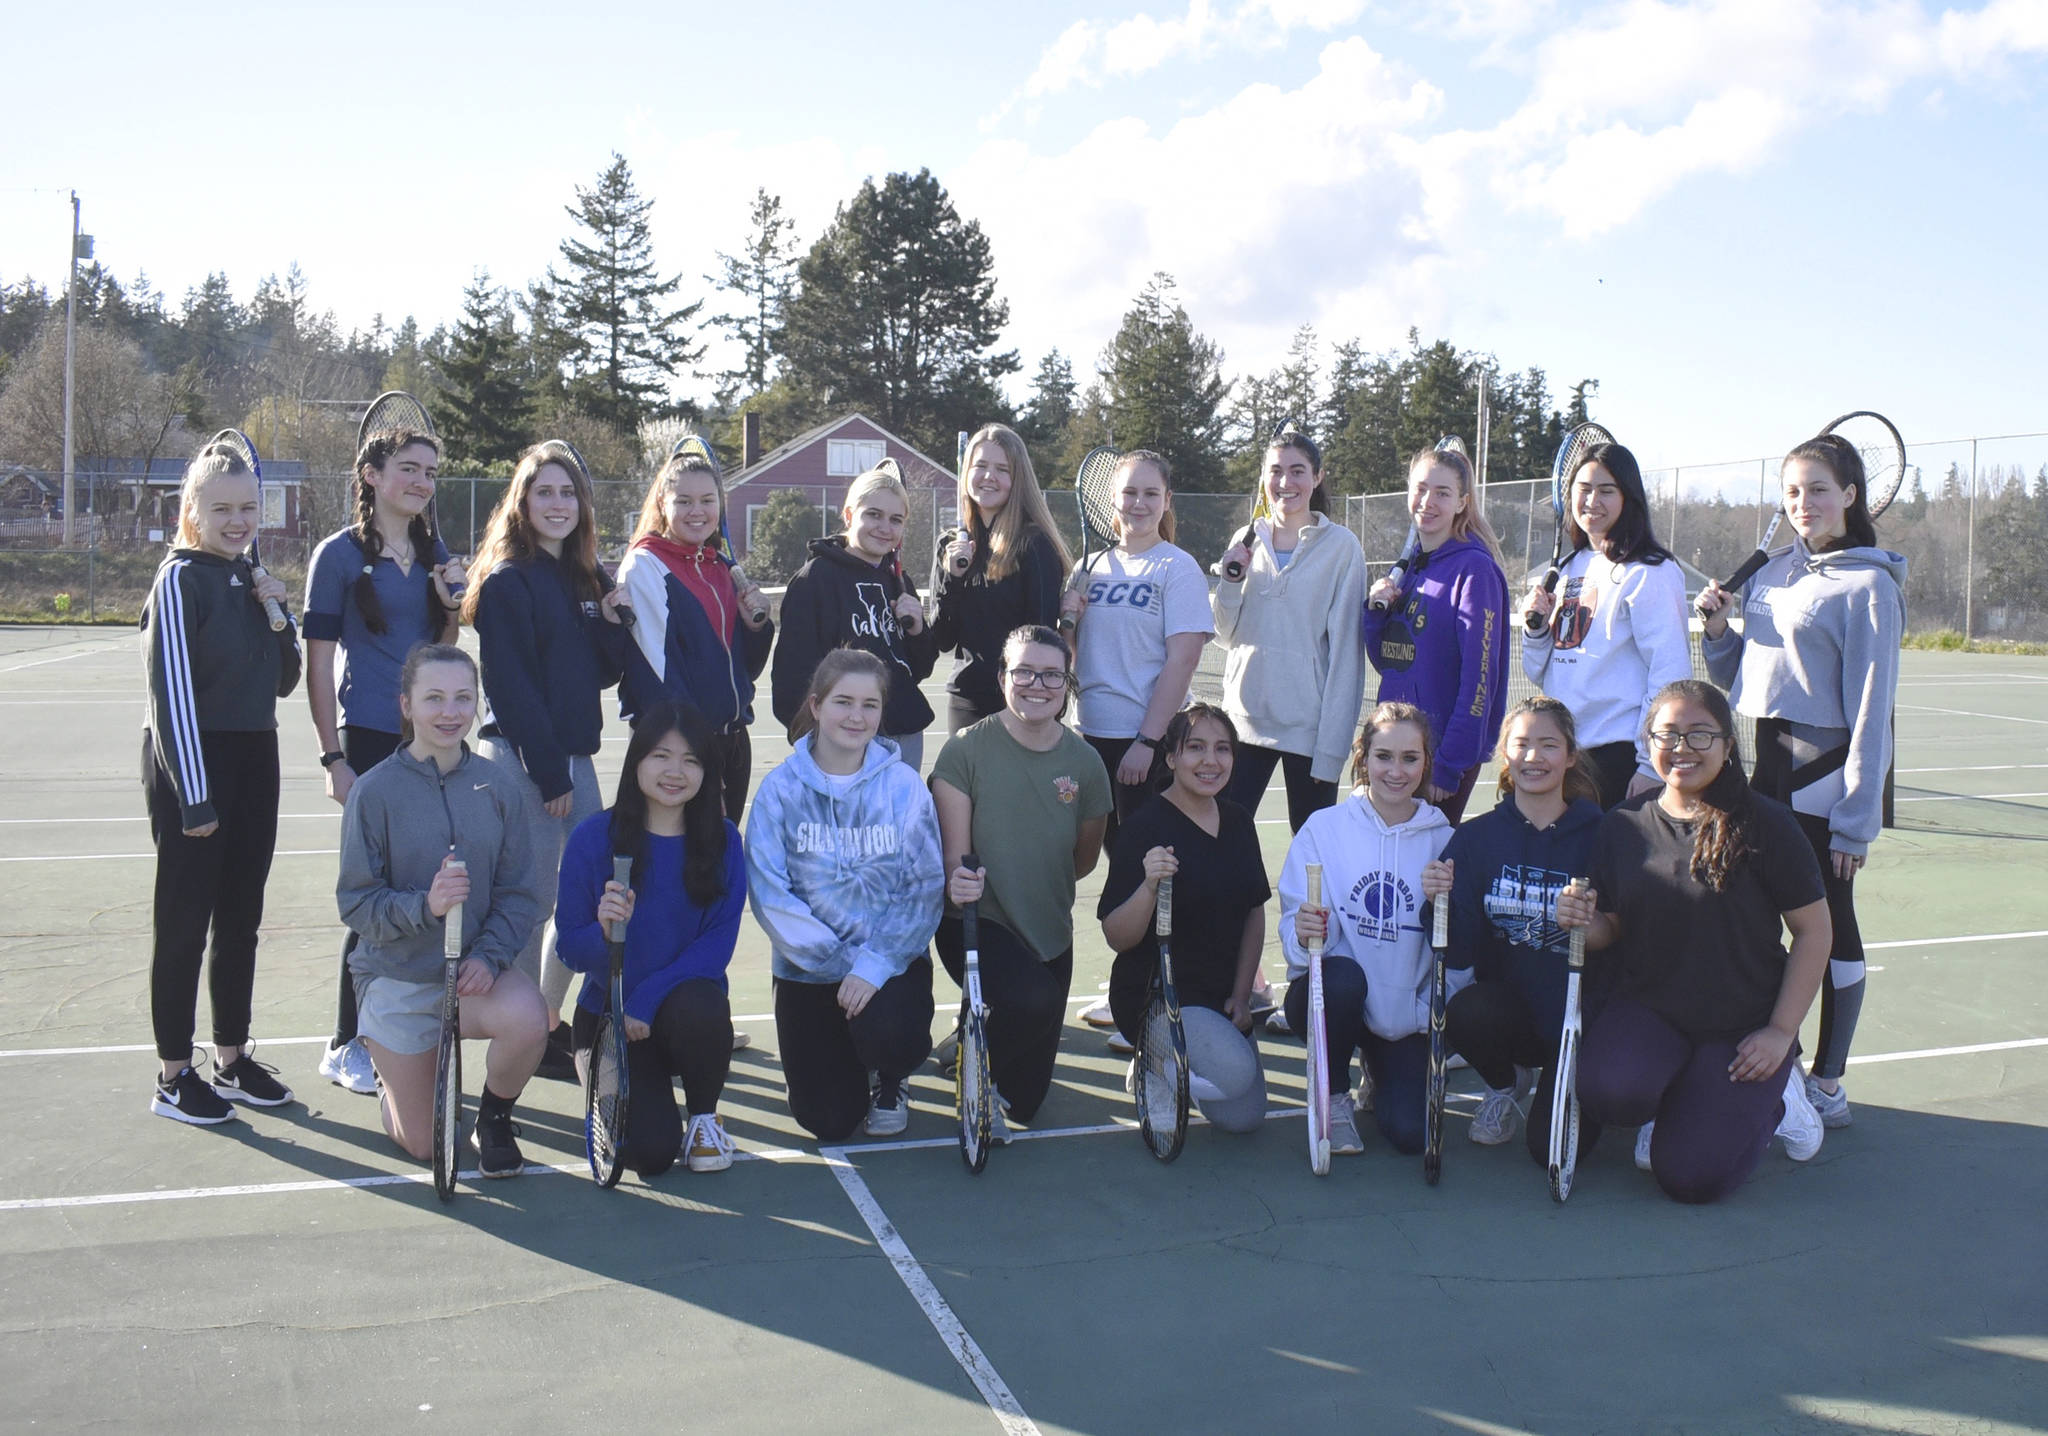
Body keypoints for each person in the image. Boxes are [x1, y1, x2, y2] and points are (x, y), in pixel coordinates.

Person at [1699, 434, 1906, 1130]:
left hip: (1824, 783)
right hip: (1763, 772)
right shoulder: (1776, 571)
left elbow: (1874, 710)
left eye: (1818, 489)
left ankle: (1830, 1081)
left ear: (1851, 496)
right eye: (1792, 491)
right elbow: (1736, 677)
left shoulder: (1870, 585)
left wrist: (1856, 819)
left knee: (1829, 924)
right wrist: (1719, 631)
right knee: (1758, 917)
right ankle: (1769, 1063)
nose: (1803, 503)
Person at [1556, 679, 1830, 1204]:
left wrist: (1778, 1031)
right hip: (1652, 1010)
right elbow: (1609, 928)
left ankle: (1780, 1099)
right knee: (1611, 1093)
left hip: (1742, 1026)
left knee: (1690, 1178)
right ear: (1649, 742)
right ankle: (1680, 1093)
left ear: (1729, 745)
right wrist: (1581, 924)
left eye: (1700, 735)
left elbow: (1815, 933)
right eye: (1668, 734)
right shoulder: (1623, 825)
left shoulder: (1767, 824)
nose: (1682, 748)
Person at [336, 644, 547, 1175]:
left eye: (462, 698)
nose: (450, 712)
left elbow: (522, 892)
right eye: (433, 698)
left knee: (528, 1017)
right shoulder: (374, 791)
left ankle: (494, 1117)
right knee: (429, 1146)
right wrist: (423, 906)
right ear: (406, 705)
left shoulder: (498, 785)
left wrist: (491, 956)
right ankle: (396, 1079)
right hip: (399, 979)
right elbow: (356, 903)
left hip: (474, 978)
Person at [463, 440, 635, 1079]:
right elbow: (510, 687)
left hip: (573, 759)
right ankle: (520, 1030)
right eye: (545, 492)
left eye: (568, 493)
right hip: (523, 760)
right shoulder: (509, 579)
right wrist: (547, 773)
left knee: (586, 895)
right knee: (529, 901)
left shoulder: (584, 579)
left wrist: (615, 621)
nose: (558, 504)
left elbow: (604, 674)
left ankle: (546, 1022)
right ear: (522, 503)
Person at [142, 444, 303, 1125]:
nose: (238, 521)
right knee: (184, 923)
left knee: (241, 919)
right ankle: (174, 1074)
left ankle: (232, 1059)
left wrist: (279, 613)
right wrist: (195, 797)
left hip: (254, 757)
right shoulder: (178, 580)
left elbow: (284, 682)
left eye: (248, 508)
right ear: (193, 513)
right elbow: (170, 694)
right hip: (192, 766)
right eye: (222, 509)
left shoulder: (249, 579)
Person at [304, 425, 466, 1096]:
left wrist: (453, 602)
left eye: (429, 471)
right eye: (407, 468)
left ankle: (411, 1031)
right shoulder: (336, 556)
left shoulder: (436, 554)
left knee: (430, 885)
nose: (421, 481)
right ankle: (347, 1042)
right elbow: (318, 666)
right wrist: (332, 758)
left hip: (432, 744)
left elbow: (445, 651)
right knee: (375, 895)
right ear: (371, 475)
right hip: (368, 742)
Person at [749, 651, 945, 1141]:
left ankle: (891, 1076)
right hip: (808, 971)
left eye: (870, 705)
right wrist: (839, 962)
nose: (857, 716)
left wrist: (874, 965)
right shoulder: (780, 791)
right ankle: (846, 1060)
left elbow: (923, 888)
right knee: (828, 1121)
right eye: (843, 702)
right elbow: (771, 893)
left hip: (887, 969)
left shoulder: (904, 788)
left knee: (890, 1035)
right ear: (816, 706)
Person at [930, 626, 1112, 1136]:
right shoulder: (964, 751)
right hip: (975, 924)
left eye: (1052, 674)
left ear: (1067, 681)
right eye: (1024, 671)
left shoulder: (1085, 762)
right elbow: (954, 861)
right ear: (1003, 677)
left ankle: (971, 1039)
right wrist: (957, 880)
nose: (1038, 684)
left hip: (1049, 934)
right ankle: (975, 1068)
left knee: (1027, 1104)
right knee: (1035, 1001)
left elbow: (1083, 859)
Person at [555, 701, 747, 1176]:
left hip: (674, 1010)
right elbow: (569, 948)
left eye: (692, 760)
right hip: (608, 1017)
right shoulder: (592, 838)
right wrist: (602, 931)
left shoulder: (723, 841)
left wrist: (647, 997)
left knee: (703, 1005)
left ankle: (704, 1116)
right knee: (650, 1154)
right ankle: (614, 1085)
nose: (675, 772)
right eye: (661, 756)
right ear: (637, 760)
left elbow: (716, 946)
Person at [1425, 697, 1603, 1158]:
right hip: (1514, 1015)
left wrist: (1591, 918)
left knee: (1551, 1151)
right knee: (1466, 1013)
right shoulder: (1475, 838)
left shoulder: (1603, 834)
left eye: (1548, 745)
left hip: (1582, 1021)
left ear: (1570, 756)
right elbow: (1458, 949)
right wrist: (1438, 901)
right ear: (1505, 752)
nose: (1533, 757)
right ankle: (1508, 1083)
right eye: (1521, 744)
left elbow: (1628, 930)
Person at [1278, 702, 1455, 1155]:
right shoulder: (1324, 828)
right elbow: (1297, 937)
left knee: (1412, 1135)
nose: (1396, 771)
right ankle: (1334, 1091)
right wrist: (1301, 932)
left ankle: (1379, 1066)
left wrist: (1445, 904)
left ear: (1425, 762)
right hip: (1333, 999)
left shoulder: (1444, 839)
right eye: (1384, 756)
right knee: (1341, 979)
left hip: (1401, 1018)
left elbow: (1455, 947)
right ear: (1363, 756)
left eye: (1410, 758)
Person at [1099, 704, 1269, 1135]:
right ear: (1171, 758)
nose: (1210, 761)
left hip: (1218, 994)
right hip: (1157, 994)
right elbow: (1117, 936)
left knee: (1244, 1117)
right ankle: (1154, 1060)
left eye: (1222, 749)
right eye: (1195, 748)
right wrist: (1149, 886)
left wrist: (1242, 995)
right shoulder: (1143, 827)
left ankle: (1183, 1058)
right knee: (1231, 1074)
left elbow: (1253, 911)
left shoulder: (1238, 822)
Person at [1212, 426, 1368, 832]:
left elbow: (1346, 656)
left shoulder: (1343, 547)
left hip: (1309, 735)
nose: (1285, 483)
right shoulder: (1245, 540)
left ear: (1317, 478)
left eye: (1298, 471)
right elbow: (1224, 636)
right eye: (1276, 471)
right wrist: (1229, 583)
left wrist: (1331, 749)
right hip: (1242, 726)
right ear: (1264, 477)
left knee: (1312, 855)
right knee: (1226, 844)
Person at [1520, 442, 1691, 808]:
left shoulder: (1651, 572)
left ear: (1628, 497)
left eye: (1606, 490)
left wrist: (1649, 763)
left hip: (1619, 761)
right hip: (1562, 756)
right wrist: (1535, 632)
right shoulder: (1570, 568)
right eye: (1583, 489)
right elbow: (1543, 671)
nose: (1592, 501)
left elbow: (1670, 674)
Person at [1060, 449, 1212, 840]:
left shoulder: (1177, 567)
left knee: (1149, 863)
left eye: (1151, 493)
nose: (1139, 503)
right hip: (1089, 738)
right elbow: (1071, 660)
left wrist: (1148, 741)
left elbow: (1183, 661)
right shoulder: (1087, 568)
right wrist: (1067, 623)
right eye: (1130, 492)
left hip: (1147, 744)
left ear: (1167, 500)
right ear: (1113, 499)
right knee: (1107, 856)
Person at [617, 442, 774, 819]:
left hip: (733, 741)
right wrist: (693, 758)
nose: (697, 511)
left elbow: (742, 673)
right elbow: (660, 677)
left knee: (718, 865)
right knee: (678, 866)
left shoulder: (718, 565)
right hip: (679, 750)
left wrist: (757, 628)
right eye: (684, 501)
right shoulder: (644, 566)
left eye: (707, 500)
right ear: (662, 504)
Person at [1361, 441, 1509, 825]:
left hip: (1437, 759)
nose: (1428, 501)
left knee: (1429, 876)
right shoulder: (1412, 570)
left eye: (1442, 493)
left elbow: (1481, 679)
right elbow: (1391, 662)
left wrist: (1448, 763)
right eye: (1421, 489)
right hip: (1394, 748)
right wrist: (1375, 613)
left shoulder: (1474, 570)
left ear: (1462, 502)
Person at [771, 459, 937, 771]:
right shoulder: (815, 579)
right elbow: (791, 678)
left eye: (896, 519)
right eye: (873, 515)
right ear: (849, 515)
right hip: (844, 739)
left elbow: (920, 668)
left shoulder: (900, 582)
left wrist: (917, 631)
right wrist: (818, 741)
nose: (885, 527)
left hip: (903, 736)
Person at [930, 424, 1072, 732]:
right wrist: (951, 578)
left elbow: (1043, 639)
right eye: (980, 465)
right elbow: (942, 639)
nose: (988, 476)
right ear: (966, 471)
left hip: (1019, 704)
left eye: (1001, 469)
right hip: (966, 699)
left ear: (1017, 480)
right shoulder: (950, 545)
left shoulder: (1034, 545)